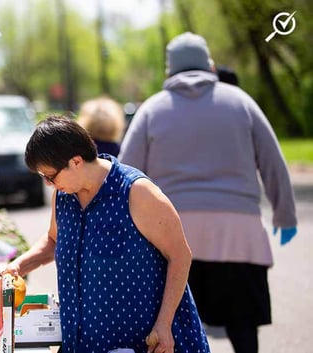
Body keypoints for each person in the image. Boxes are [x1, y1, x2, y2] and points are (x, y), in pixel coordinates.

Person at [119, 32, 298, 353]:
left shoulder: (151, 110)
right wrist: (285, 215)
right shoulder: (241, 102)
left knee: (176, 329)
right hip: (238, 235)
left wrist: (121, 229)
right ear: (210, 64)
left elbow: (124, 174)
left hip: (171, 238)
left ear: (168, 69)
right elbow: (274, 161)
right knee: (242, 324)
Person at [4, 115, 210, 353]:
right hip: (83, 344)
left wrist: (164, 325)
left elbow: (180, 255)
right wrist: (18, 266)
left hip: (145, 342)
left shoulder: (135, 192)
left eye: (51, 176)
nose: (49, 184)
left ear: (76, 161)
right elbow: (53, 240)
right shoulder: (63, 197)